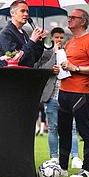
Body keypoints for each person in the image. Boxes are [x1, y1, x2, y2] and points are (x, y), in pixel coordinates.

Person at [58, 9, 89, 177]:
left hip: (79, 93)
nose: (69, 20)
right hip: (63, 92)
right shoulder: (69, 43)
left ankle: (86, 170)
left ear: (83, 21)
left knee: (85, 133)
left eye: (73, 17)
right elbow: (67, 65)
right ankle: (62, 167)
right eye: (69, 17)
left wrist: (76, 68)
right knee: (63, 132)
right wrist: (59, 69)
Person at [34, 27, 83, 169]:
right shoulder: (45, 53)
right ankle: (54, 157)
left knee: (72, 128)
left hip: (67, 94)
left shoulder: (69, 54)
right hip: (51, 95)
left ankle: (75, 157)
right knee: (53, 128)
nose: (59, 40)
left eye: (61, 38)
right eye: (56, 37)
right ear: (51, 38)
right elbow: (40, 69)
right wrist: (52, 65)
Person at [0, 0, 46, 67]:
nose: (26, 14)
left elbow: (33, 59)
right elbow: (15, 58)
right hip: (9, 75)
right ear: (12, 13)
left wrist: (39, 42)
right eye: (22, 11)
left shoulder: (24, 33)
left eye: (27, 11)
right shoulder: (6, 34)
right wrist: (32, 41)